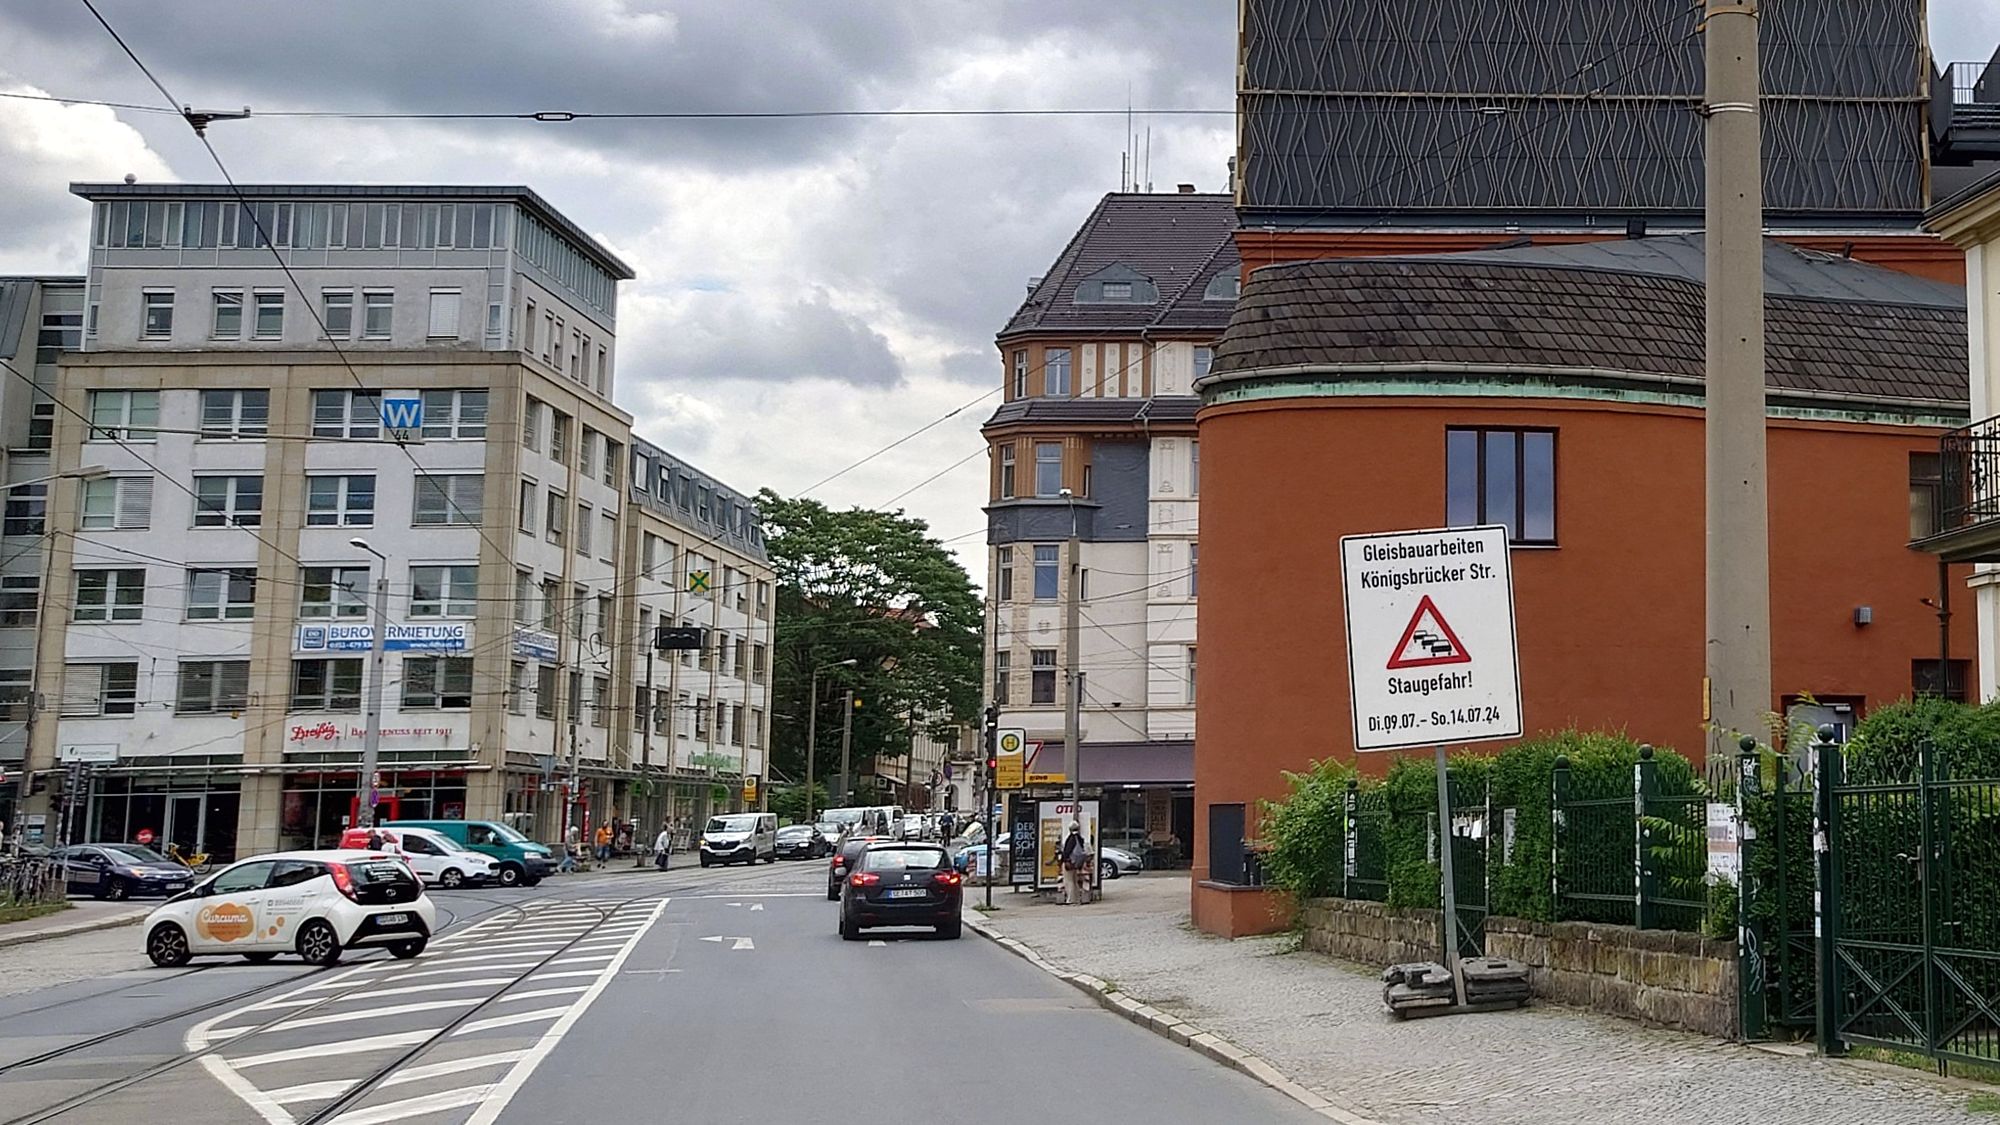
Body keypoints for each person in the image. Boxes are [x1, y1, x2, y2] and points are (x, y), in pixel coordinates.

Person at [1059, 820, 1090, 906]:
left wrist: (1064, 860)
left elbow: (1067, 851)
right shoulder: (1080, 839)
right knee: (1075, 880)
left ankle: (1070, 899)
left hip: (1070, 862)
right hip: (1077, 863)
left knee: (1069, 881)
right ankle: (1077, 899)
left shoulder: (1070, 839)